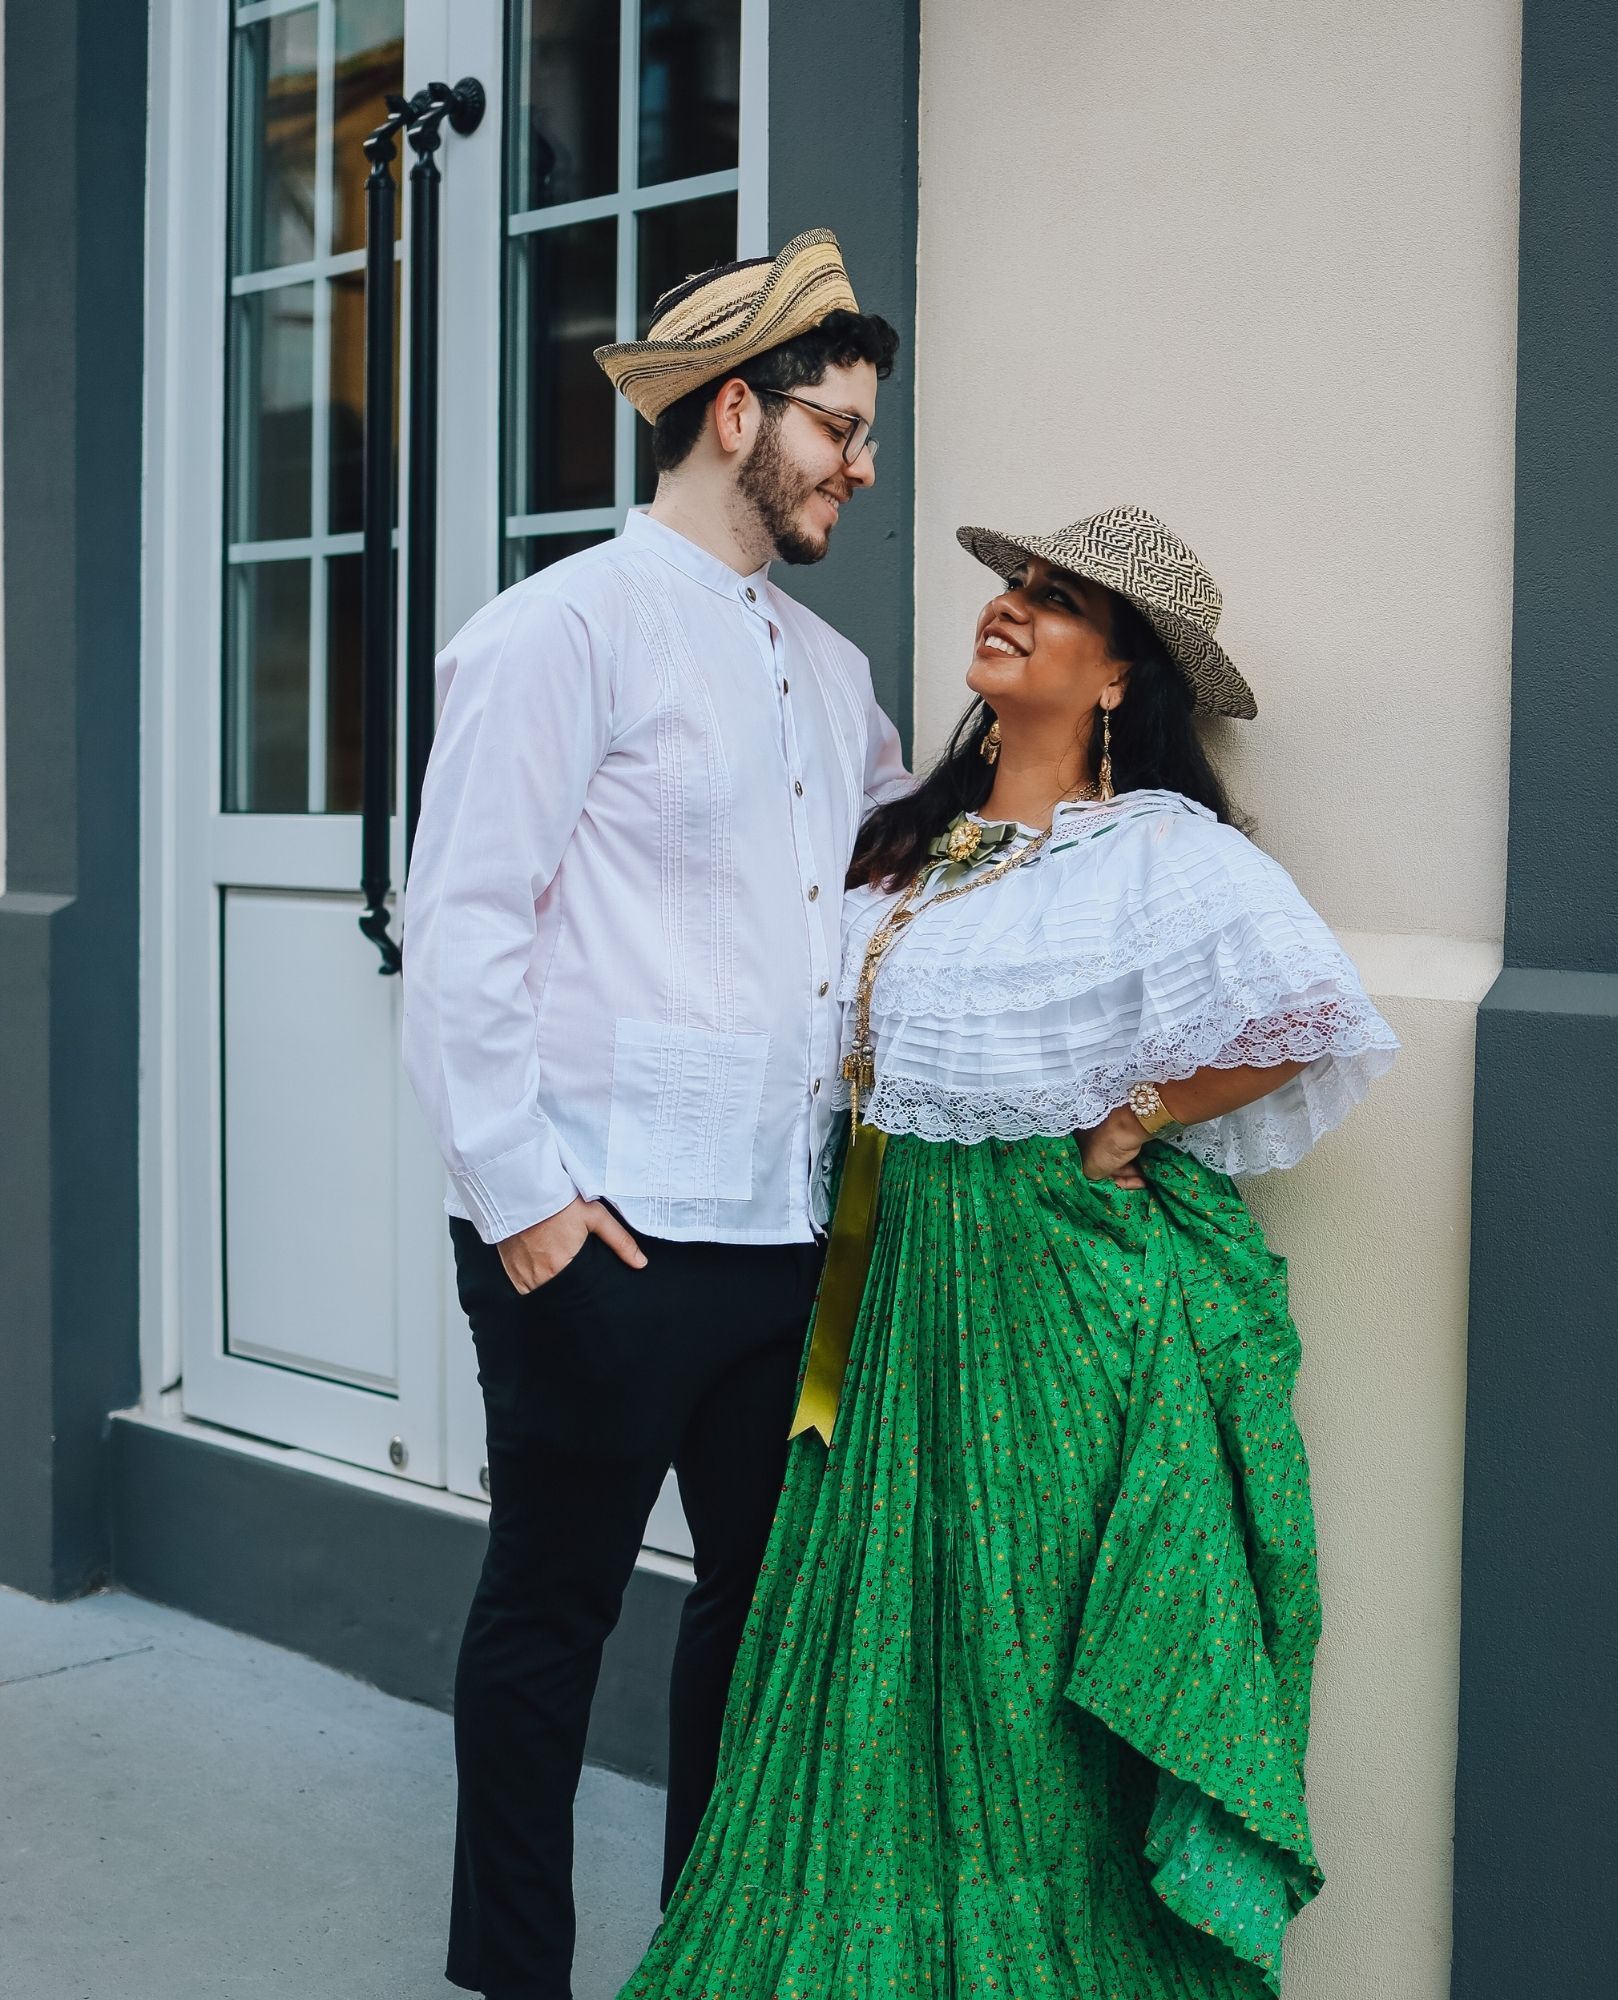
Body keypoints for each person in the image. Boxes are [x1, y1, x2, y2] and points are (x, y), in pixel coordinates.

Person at [618, 506, 1400, 1997]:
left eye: (1055, 602)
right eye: (1013, 588)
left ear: (1119, 677)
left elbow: (1315, 1015)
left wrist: (1140, 1115)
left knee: (1009, 1664)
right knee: (868, 1657)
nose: (1012, 611)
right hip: (879, 1289)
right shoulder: (908, 838)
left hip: (1044, 1303)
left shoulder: (1157, 852)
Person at [400, 228, 908, 2000]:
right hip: (598, 1235)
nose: (859, 463)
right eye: (837, 426)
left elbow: (878, 909)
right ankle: (514, 1980)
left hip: (783, 1245)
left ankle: (714, 1955)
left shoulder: (836, 683)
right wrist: (525, 1202)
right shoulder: (557, 633)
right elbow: (460, 925)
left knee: (757, 1635)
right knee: (551, 1620)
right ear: (734, 412)